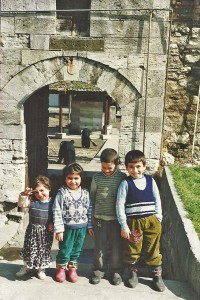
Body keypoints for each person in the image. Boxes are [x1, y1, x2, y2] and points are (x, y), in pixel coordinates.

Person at [116, 150, 165, 292]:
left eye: (138, 166)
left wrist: (158, 217)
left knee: (153, 248)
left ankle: (156, 275)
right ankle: (133, 273)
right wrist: (124, 225)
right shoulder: (125, 183)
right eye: (131, 167)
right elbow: (120, 205)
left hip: (152, 221)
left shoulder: (151, 180)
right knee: (133, 248)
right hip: (134, 223)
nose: (135, 170)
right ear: (126, 167)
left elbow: (157, 199)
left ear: (144, 166)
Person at [89, 148, 127, 286]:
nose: (106, 170)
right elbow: (91, 196)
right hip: (99, 218)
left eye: (109, 168)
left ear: (117, 164)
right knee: (100, 246)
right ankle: (99, 270)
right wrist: (91, 215)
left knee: (116, 246)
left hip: (116, 220)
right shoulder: (96, 178)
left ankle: (116, 271)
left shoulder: (122, 177)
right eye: (103, 167)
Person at [53, 163, 93, 283]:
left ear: (81, 178)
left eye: (76, 178)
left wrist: (90, 225)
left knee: (77, 249)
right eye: (70, 178)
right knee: (65, 248)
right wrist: (59, 229)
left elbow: (89, 209)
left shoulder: (85, 193)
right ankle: (61, 268)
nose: (73, 181)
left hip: (82, 227)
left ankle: (72, 268)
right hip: (67, 228)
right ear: (65, 178)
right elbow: (57, 211)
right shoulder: (62, 193)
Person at [16, 176, 54, 280]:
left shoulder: (53, 204)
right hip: (32, 232)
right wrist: (24, 195)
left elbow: (57, 216)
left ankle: (41, 269)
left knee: (43, 250)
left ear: (49, 188)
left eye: (42, 190)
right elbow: (21, 204)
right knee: (29, 249)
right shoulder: (32, 202)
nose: (40, 194)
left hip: (45, 233)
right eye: (36, 192)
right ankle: (26, 267)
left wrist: (53, 224)